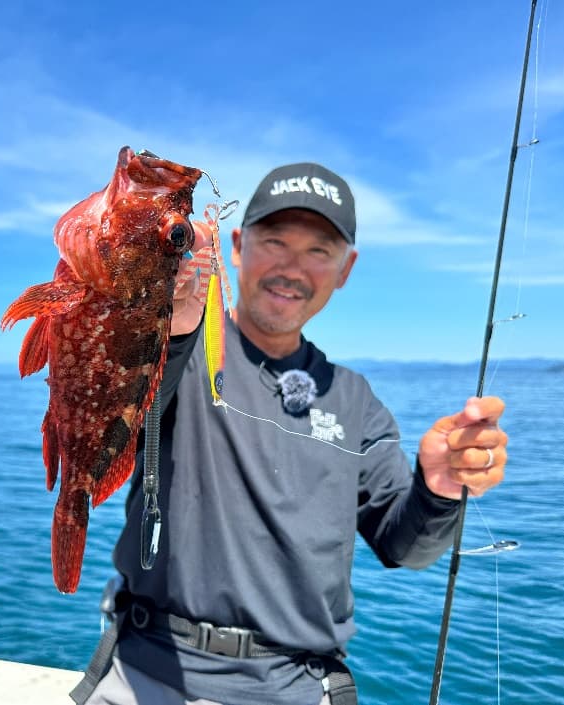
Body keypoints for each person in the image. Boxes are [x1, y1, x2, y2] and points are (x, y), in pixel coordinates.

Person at [71, 162, 508, 705]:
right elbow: (131, 406)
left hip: (298, 689)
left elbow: (406, 546)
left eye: (319, 251)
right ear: (236, 245)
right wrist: (175, 324)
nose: (292, 267)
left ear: (345, 269)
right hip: (149, 671)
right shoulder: (178, 348)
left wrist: (438, 488)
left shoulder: (357, 401)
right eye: (275, 240)